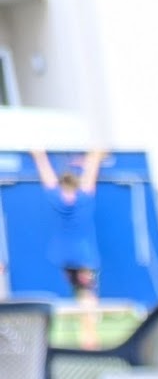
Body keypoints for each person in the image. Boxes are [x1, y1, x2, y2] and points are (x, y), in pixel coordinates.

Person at [32, 147, 105, 348]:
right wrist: (96, 154)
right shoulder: (84, 199)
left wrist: (39, 155)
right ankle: (89, 339)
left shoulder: (56, 200)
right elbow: (91, 169)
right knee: (87, 295)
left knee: (78, 292)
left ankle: (86, 337)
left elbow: (46, 175)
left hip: (63, 256)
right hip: (84, 256)